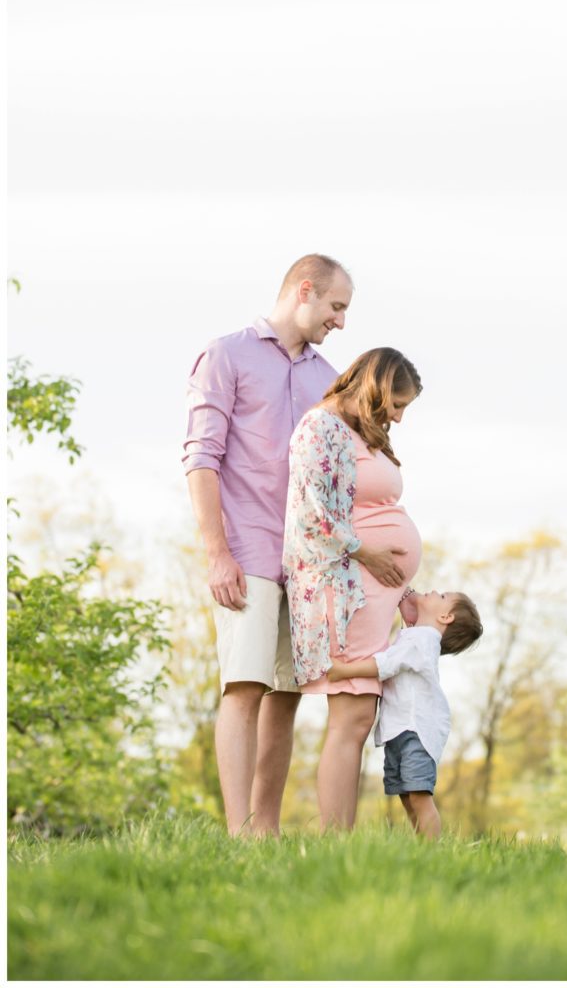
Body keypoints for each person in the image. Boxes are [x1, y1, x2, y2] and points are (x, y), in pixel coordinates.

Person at [181, 253, 352, 837]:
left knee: (285, 697)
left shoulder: (329, 380)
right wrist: (216, 552)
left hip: (306, 565)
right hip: (246, 551)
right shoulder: (226, 354)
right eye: (336, 306)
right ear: (304, 290)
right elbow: (201, 458)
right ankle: (238, 833)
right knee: (245, 686)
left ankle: (266, 836)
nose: (341, 321)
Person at [284, 346, 424, 831]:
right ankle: (334, 841)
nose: (400, 418)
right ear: (377, 387)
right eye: (398, 404)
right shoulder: (319, 427)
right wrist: (368, 552)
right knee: (351, 718)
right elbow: (310, 510)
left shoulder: (362, 432)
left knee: (360, 719)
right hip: (345, 588)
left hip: (375, 587)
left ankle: (339, 838)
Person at [326, 585, 483, 839]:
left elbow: (386, 664)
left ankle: (432, 851)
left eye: (442, 596)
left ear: (445, 617)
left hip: (416, 730)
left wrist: (345, 670)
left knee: (418, 797)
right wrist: (401, 594)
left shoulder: (423, 640)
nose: (434, 591)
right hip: (401, 729)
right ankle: (423, 846)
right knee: (408, 797)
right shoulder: (417, 636)